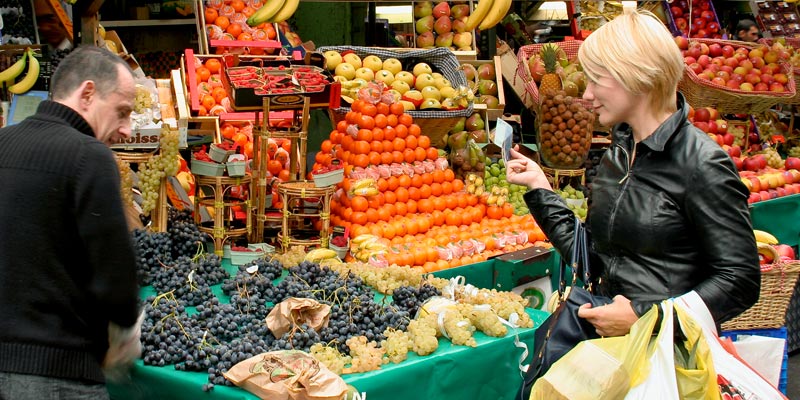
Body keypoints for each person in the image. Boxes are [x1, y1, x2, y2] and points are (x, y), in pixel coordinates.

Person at [507, 9, 760, 338]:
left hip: (666, 365)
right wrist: (540, 189)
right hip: (616, 354)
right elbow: (594, 258)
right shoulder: (619, 155)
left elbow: (739, 280)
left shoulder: (701, 163)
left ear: (635, 76)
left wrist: (648, 319)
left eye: (597, 79)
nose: (586, 95)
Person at [0, 46, 140, 398]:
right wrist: (124, 331)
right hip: (56, 375)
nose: (126, 130)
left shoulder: (3, 143)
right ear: (88, 94)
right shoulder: (89, 157)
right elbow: (114, 273)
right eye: (122, 112)